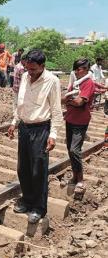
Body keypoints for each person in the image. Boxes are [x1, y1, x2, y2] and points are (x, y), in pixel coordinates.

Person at [8, 49, 63, 224]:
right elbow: (21, 103)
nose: (29, 73)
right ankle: (27, 200)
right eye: (27, 68)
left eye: (33, 70)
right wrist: (14, 122)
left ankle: (39, 208)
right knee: (23, 168)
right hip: (24, 127)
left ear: (42, 66)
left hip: (41, 129)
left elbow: (56, 110)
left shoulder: (52, 81)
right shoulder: (25, 76)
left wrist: (53, 134)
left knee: (38, 169)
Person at [62, 59, 96, 193]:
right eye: (75, 69)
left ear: (86, 69)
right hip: (70, 119)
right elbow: (67, 100)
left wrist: (68, 101)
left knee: (74, 150)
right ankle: (75, 176)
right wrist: (69, 101)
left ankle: (80, 179)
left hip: (81, 121)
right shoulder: (76, 83)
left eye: (79, 69)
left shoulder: (88, 83)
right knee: (69, 149)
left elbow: (79, 102)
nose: (76, 71)